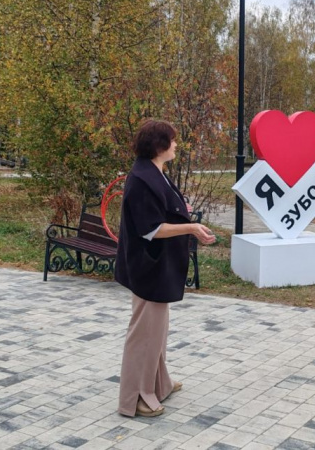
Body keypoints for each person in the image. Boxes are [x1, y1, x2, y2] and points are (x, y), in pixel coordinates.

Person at [114, 119, 216, 417]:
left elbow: (169, 212)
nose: (176, 145)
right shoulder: (142, 179)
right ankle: (135, 398)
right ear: (159, 145)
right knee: (144, 334)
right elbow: (151, 229)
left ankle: (159, 385)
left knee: (156, 331)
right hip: (148, 266)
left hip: (159, 266)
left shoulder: (155, 172)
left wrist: (192, 228)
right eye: (172, 140)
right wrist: (191, 228)